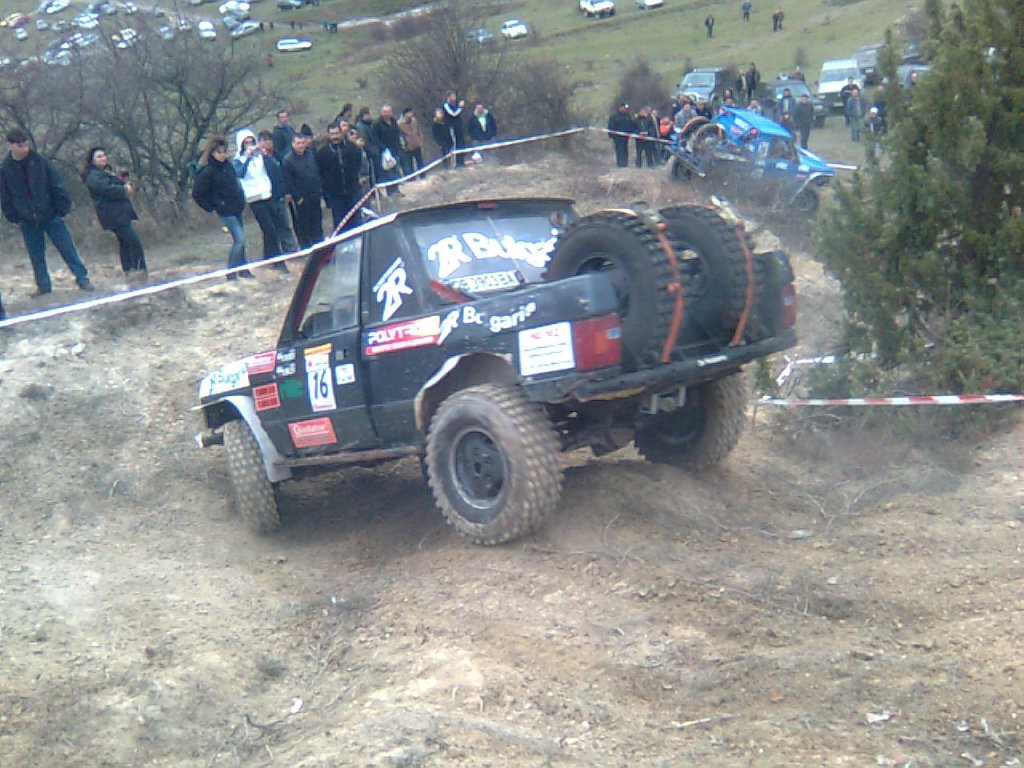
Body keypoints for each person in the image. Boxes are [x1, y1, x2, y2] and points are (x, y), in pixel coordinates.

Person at [1, 128, 92, 294]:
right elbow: (5, 196)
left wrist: (62, 209)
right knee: (36, 256)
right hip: (27, 220)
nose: (24, 147)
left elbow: (56, 185)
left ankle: (83, 279)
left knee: (67, 250)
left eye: (25, 143)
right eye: (19, 144)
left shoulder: (40, 161)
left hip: (51, 215)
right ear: (10, 146)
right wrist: (14, 216)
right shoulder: (5, 168)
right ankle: (43, 286)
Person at [82, 146, 147, 282]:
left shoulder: (104, 172)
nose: (103, 158)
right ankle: (140, 271)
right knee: (134, 242)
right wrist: (124, 189)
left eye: (104, 155)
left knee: (124, 243)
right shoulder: (93, 176)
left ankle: (130, 271)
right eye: (99, 156)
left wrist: (123, 180)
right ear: (92, 160)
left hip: (119, 213)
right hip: (113, 215)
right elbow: (108, 189)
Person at [192, 135, 252, 280]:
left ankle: (243, 270)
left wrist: (241, 197)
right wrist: (212, 206)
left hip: (237, 206)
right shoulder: (208, 171)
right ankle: (231, 272)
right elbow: (197, 193)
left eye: (224, 152)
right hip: (225, 211)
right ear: (212, 153)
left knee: (241, 241)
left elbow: (235, 182)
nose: (222, 155)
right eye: (219, 152)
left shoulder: (228, 166)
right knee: (239, 239)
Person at [234, 129, 288, 272]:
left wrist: (265, 155)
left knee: (273, 228)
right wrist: (247, 158)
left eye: (251, 142)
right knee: (268, 228)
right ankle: (278, 261)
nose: (249, 145)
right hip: (254, 198)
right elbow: (240, 174)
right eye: (246, 143)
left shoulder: (260, 156)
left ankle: (269, 257)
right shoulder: (238, 160)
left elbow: (275, 167)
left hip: (267, 194)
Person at [257, 129, 297, 258]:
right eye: (264, 140)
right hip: (264, 197)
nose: (267, 142)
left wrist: (287, 192)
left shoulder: (277, 155)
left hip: (279, 195)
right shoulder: (256, 158)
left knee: (284, 224)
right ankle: (272, 254)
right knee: (269, 228)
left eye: (269, 140)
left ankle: (290, 250)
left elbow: (284, 175)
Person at [282, 128, 323, 248]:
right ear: (293, 144)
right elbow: (288, 182)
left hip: (314, 195)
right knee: (303, 226)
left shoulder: (311, 154)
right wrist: (298, 198)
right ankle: (306, 248)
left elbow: (317, 171)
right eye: (298, 143)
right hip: (301, 199)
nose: (300, 146)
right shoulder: (288, 160)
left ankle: (320, 247)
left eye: (302, 143)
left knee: (317, 223)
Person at [315, 121, 349, 228]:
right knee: (340, 223)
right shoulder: (322, 153)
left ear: (341, 133)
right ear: (328, 135)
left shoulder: (351, 148)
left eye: (337, 133)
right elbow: (321, 173)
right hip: (335, 193)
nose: (335, 137)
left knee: (355, 220)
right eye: (332, 134)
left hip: (351, 191)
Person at [371, 104, 403, 196]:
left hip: (394, 150)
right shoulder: (376, 124)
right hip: (383, 152)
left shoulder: (393, 121)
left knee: (396, 170)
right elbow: (375, 138)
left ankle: (396, 189)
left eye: (388, 112)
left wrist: (399, 147)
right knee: (388, 172)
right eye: (385, 112)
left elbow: (397, 134)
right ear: (381, 112)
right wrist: (383, 148)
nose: (387, 114)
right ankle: (391, 192)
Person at [397, 107, 424, 176]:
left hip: (417, 144)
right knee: (409, 164)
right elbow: (399, 135)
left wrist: (420, 139)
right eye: (409, 113)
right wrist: (403, 144)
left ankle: (423, 175)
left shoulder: (414, 121)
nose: (411, 114)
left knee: (420, 161)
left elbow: (419, 131)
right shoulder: (399, 124)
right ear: (405, 114)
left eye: (411, 112)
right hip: (407, 147)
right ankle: (412, 177)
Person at [442, 90, 466, 167]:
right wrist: (460, 107)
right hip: (451, 128)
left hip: (458, 128)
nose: (455, 97)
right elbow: (453, 114)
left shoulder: (454, 106)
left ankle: (461, 162)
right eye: (453, 96)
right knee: (454, 144)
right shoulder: (446, 105)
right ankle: (454, 163)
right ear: (449, 97)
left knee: (460, 143)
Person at [607, 102, 634, 168]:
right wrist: (611, 135)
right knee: (619, 150)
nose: (625, 110)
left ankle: (625, 163)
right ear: (621, 107)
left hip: (625, 136)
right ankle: (620, 164)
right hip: (617, 137)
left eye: (626, 109)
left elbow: (631, 124)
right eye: (624, 108)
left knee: (625, 149)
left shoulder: (627, 116)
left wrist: (631, 132)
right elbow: (610, 126)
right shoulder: (614, 116)